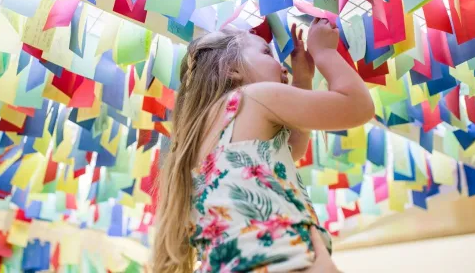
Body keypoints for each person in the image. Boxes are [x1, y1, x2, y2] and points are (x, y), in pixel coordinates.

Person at [153, 18, 374, 272]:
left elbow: (292, 149)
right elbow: (358, 106)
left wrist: (303, 78)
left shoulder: (195, 138)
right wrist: (324, 52)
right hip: (277, 258)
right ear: (231, 68)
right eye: (266, 52)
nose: (282, 68)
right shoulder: (254, 97)